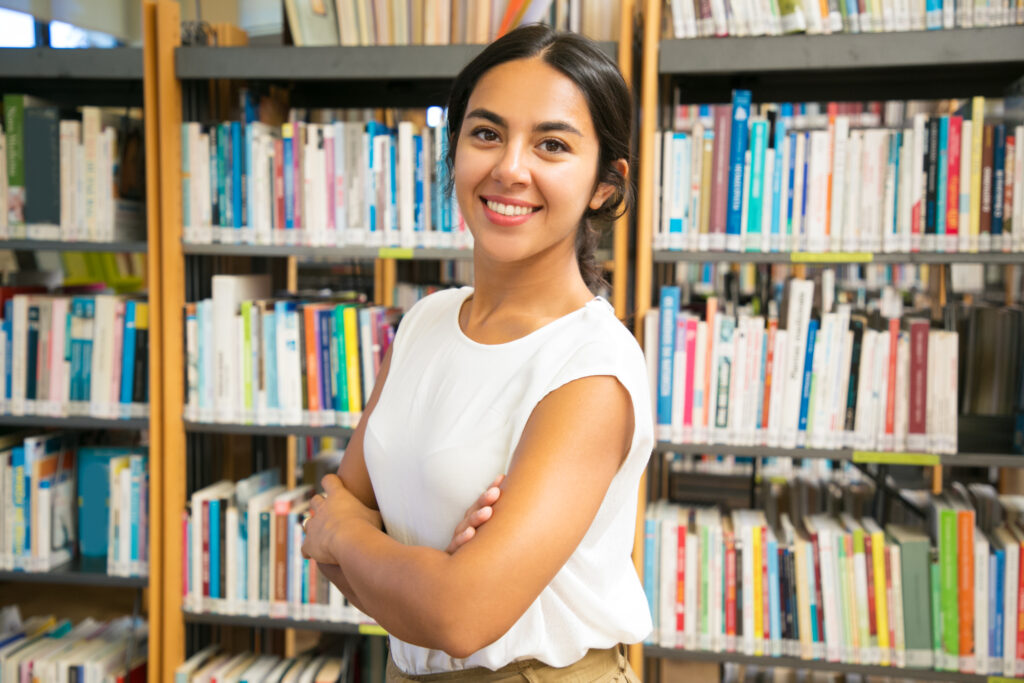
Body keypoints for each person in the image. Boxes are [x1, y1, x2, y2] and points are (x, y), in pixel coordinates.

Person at [300, 24, 653, 681]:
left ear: (606, 183)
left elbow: (461, 617)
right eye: (486, 133)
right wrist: (424, 578)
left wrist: (351, 535)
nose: (509, 168)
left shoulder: (591, 366)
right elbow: (334, 532)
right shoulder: (427, 321)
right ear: (455, 149)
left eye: (552, 144)